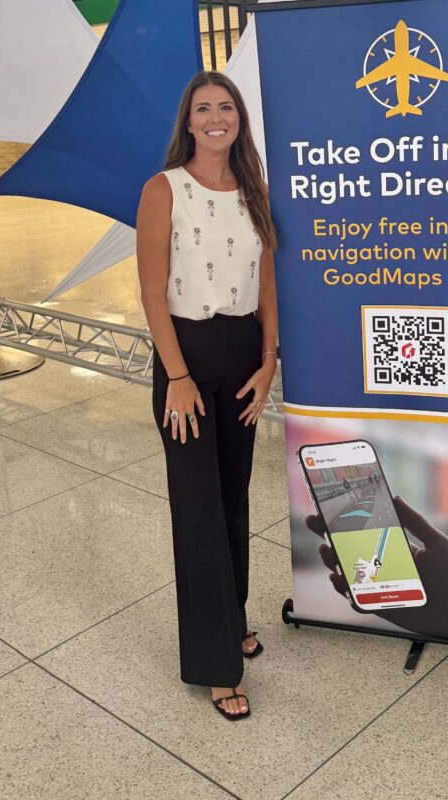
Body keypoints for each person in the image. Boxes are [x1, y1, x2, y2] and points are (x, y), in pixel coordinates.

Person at [136, 70, 278, 721]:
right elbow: (151, 291)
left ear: (238, 119)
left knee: (232, 498)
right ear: (188, 123)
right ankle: (216, 664)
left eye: (226, 107)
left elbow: (268, 280)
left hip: (243, 353)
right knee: (197, 511)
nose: (216, 117)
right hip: (186, 360)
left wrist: (269, 358)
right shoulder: (164, 190)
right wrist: (180, 378)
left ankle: (234, 618)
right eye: (203, 109)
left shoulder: (254, 190)